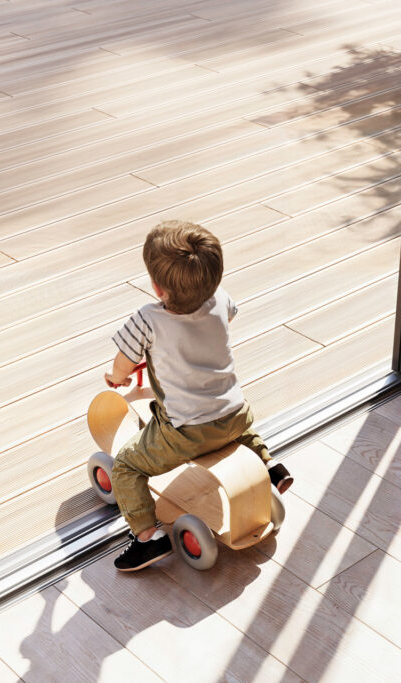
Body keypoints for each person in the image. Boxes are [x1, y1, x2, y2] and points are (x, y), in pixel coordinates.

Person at [105, 220, 292, 572]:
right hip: (234, 413)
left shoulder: (147, 320)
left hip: (185, 433)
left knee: (127, 466)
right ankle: (268, 465)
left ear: (158, 288)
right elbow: (224, 323)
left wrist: (117, 378)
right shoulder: (221, 299)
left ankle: (147, 539)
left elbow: (123, 362)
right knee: (240, 423)